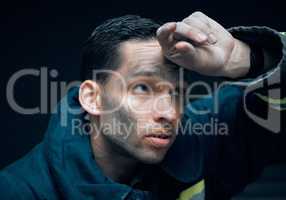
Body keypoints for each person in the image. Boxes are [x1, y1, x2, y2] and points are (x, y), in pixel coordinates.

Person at [0, 12, 285, 200]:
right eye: (142, 88)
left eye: (175, 92)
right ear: (92, 98)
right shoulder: (20, 190)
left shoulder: (200, 138)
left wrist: (246, 58)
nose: (170, 113)